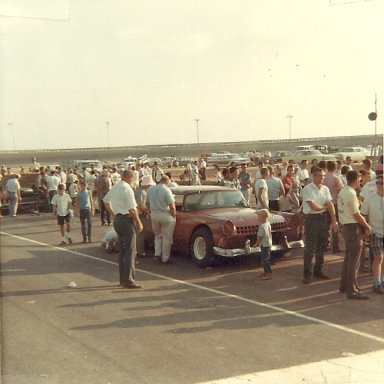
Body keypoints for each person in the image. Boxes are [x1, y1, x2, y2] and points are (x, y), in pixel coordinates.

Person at [103, 169, 143, 289]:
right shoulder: (127, 188)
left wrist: (113, 213)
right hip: (126, 220)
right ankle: (129, 279)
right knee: (130, 250)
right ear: (130, 178)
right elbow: (132, 209)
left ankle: (123, 279)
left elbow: (105, 201)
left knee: (123, 250)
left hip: (118, 219)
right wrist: (139, 222)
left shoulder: (115, 187)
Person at [337, 170, 371, 300]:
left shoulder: (343, 192)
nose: (360, 181)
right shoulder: (350, 193)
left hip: (347, 226)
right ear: (355, 179)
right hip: (353, 227)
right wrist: (367, 226)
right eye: (359, 178)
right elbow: (356, 215)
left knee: (348, 258)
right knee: (354, 261)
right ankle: (352, 289)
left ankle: (344, 285)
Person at [301, 166, 338, 284]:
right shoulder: (307, 189)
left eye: (323, 175)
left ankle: (318, 270)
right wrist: (324, 207)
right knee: (310, 247)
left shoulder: (325, 189)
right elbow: (313, 206)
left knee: (322, 245)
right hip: (312, 219)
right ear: (313, 176)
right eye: (320, 175)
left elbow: (330, 204)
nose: (322, 178)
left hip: (323, 218)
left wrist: (334, 220)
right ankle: (307, 274)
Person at [360, 175, 384, 294]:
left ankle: (382, 280)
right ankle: (376, 284)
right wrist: (365, 230)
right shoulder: (369, 198)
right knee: (379, 257)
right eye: (378, 183)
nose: (379, 185)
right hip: (375, 232)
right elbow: (363, 215)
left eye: (382, 183)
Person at [146, 175, 176, 264]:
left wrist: (149, 212)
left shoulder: (150, 189)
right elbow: (172, 205)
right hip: (165, 214)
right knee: (167, 237)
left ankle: (157, 254)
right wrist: (173, 215)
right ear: (167, 181)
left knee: (157, 235)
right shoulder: (167, 190)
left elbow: (147, 203)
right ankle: (165, 258)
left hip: (154, 214)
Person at [323, 161, 343, 252]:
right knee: (335, 225)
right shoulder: (336, 178)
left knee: (325, 226)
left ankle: (325, 245)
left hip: (324, 204)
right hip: (334, 204)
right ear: (335, 168)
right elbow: (340, 190)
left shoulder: (323, 177)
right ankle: (335, 246)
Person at [134, 174, 155, 257]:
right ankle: (140, 251)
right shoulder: (141, 192)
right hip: (140, 214)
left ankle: (140, 249)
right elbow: (139, 205)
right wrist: (148, 212)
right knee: (140, 233)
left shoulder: (140, 191)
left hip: (141, 213)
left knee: (140, 233)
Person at [251, 209, 273, 280]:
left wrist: (256, 244)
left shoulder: (262, 226)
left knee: (265, 259)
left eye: (258, 216)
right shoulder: (268, 224)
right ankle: (266, 272)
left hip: (264, 244)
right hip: (268, 243)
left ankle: (269, 273)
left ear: (262, 217)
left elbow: (259, 237)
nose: (257, 217)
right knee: (265, 258)